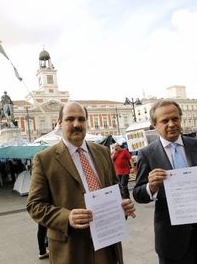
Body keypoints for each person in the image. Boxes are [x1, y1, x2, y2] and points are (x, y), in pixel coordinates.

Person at [27, 102, 135, 264]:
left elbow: (114, 189)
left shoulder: (103, 152)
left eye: (81, 119)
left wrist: (122, 204)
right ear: (59, 123)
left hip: (108, 243)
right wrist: (67, 217)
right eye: (70, 119)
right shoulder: (44, 159)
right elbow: (34, 205)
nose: (77, 124)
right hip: (71, 249)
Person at [133, 100, 197, 264]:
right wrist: (151, 187)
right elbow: (138, 194)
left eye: (175, 119)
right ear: (154, 125)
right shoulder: (146, 153)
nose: (171, 124)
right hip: (172, 243)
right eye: (165, 121)